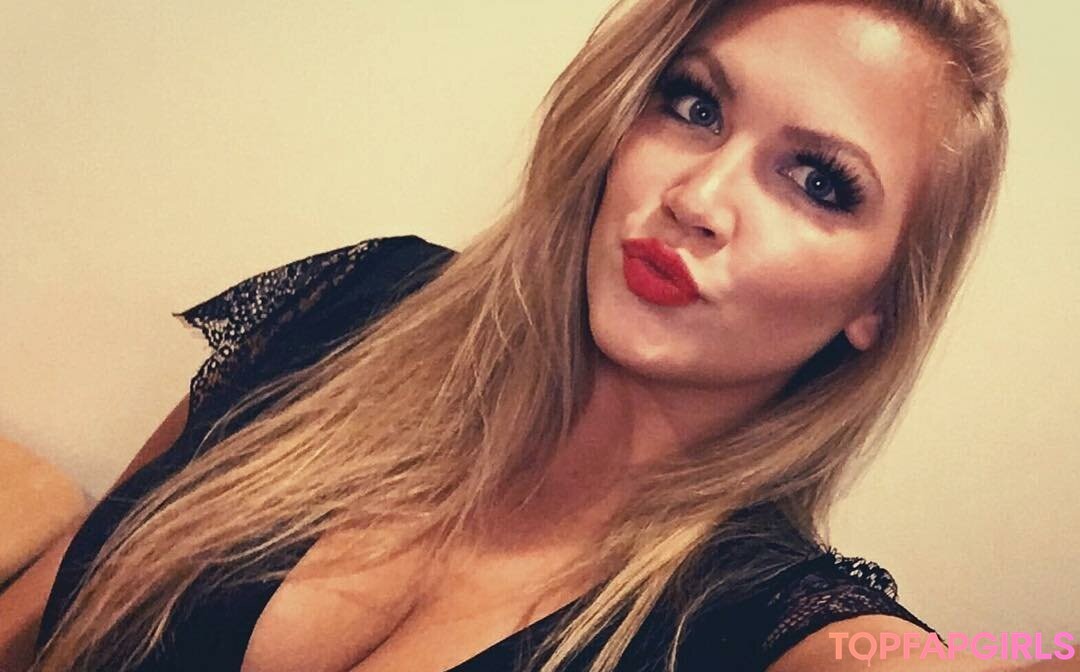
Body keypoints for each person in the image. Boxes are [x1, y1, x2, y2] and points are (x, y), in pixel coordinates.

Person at [6, 0, 1069, 670]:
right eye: (694, 105)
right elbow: (49, 608)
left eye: (820, 181)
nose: (698, 197)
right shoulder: (358, 305)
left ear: (879, 303)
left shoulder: (760, 621)